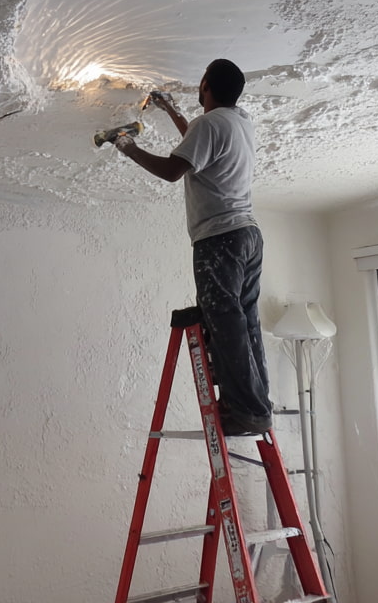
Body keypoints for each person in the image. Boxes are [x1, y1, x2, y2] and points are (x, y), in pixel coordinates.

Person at [114, 59, 271, 436]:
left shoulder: (209, 125)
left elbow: (173, 171)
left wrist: (128, 146)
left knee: (225, 321)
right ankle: (256, 406)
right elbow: (198, 147)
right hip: (248, 236)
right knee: (244, 320)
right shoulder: (239, 121)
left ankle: (244, 410)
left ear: (204, 85)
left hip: (219, 239)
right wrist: (171, 110)